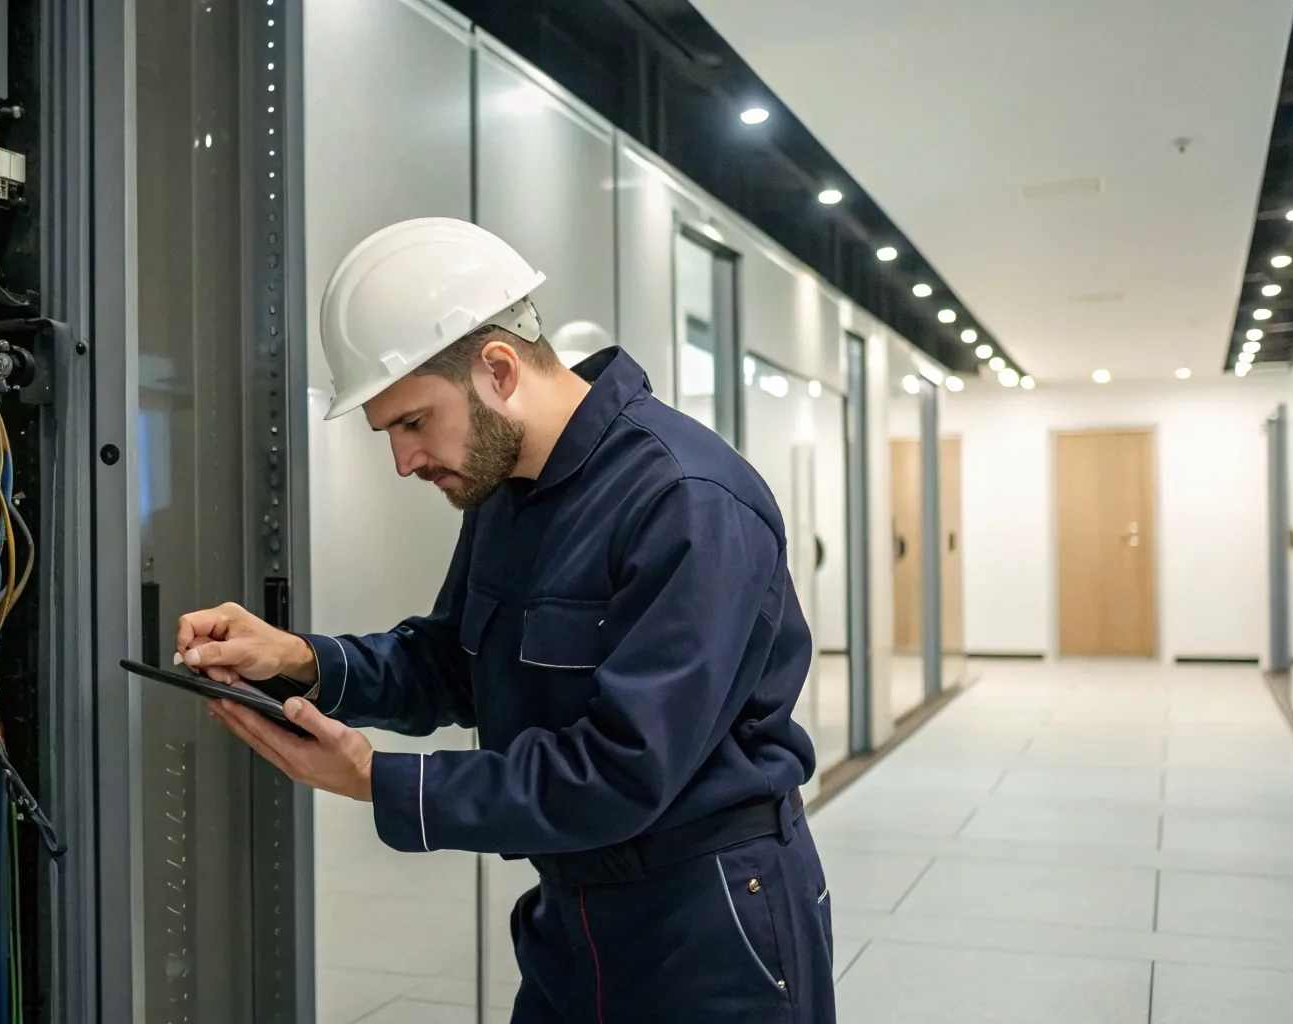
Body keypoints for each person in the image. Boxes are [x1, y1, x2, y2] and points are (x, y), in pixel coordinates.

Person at [177, 217, 834, 1023]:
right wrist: (300, 659)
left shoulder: (686, 500)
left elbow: (624, 768)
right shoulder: (508, 495)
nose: (402, 460)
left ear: (497, 367)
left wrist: (378, 781)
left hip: (707, 920)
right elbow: (453, 664)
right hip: (573, 914)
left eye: (414, 422)